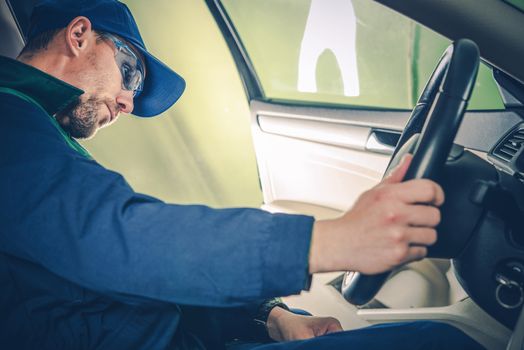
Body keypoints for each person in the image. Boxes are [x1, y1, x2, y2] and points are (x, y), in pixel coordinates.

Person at [0, 1, 484, 349]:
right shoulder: (9, 118)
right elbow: (120, 239)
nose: (128, 102)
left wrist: (268, 317)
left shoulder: (39, 132)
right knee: (443, 341)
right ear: (79, 34)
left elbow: (129, 277)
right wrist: (334, 240)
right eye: (130, 73)